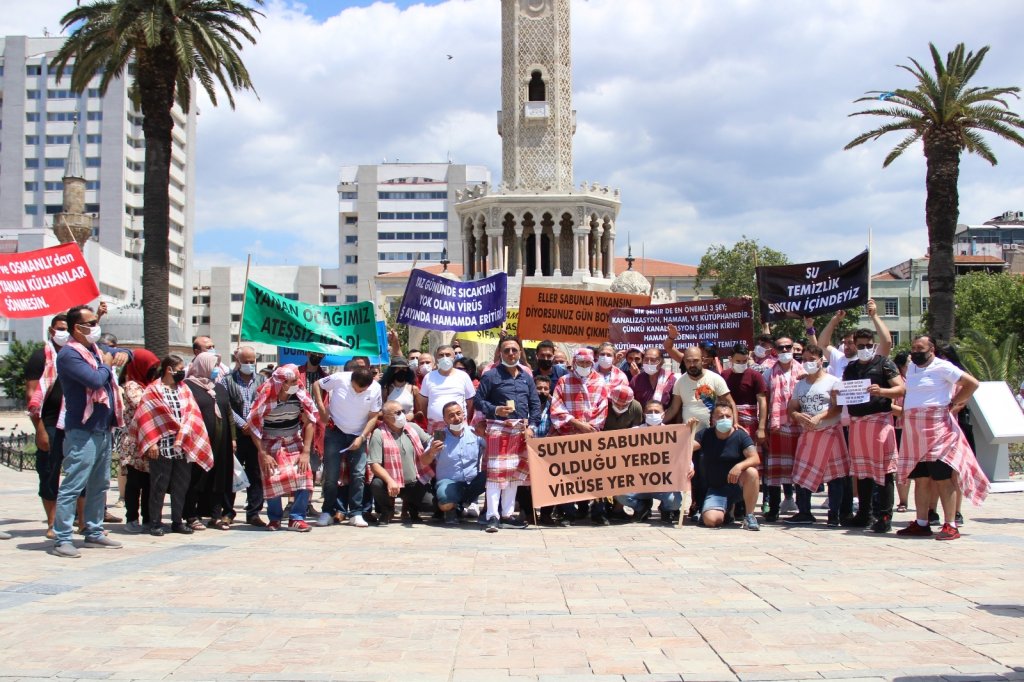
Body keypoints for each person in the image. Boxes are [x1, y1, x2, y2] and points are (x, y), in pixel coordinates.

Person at [50, 305, 125, 558]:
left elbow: (121, 353)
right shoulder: (70, 355)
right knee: (74, 484)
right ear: (76, 328)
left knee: (99, 484)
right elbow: (94, 380)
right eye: (90, 323)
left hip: (102, 428)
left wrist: (122, 354)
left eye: (95, 322)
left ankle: (93, 531)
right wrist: (106, 365)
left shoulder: (93, 349)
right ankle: (62, 537)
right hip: (82, 429)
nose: (95, 327)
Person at [896, 335, 987, 541]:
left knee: (943, 478)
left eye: (920, 348)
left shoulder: (943, 367)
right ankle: (921, 523)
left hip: (937, 429)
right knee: (920, 478)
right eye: (913, 348)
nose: (915, 351)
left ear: (931, 350)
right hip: (914, 430)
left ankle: (950, 524)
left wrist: (954, 402)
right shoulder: (911, 368)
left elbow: (972, 383)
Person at [133, 354, 215, 536]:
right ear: (169, 369)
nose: (182, 372)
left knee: (181, 484)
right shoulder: (153, 390)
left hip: (183, 444)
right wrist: (151, 442)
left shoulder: (184, 389)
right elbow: (146, 417)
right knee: (159, 484)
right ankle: (155, 521)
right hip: (162, 444)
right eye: (179, 369)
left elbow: (192, 413)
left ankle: (177, 520)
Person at [473, 337, 539, 531]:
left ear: (520, 353)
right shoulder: (491, 375)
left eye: (514, 350)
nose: (511, 353)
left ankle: (507, 514)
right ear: (500, 353)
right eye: (507, 350)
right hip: (498, 428)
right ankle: (492, 515)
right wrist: (494, 410)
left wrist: (532, 427)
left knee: (514, 475)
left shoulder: (526, 377)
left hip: (520, 430)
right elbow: (478, 401)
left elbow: (535, 405)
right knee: (495, 474)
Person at [843, 328, 904, 533]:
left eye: (868, 345)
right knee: (862, 472)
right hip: (858, 422)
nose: (865, 349)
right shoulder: (851, 367)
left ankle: (885, 516)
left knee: (884, 470)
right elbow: (845, 391)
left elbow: (901, 388)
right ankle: (864, 514)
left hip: (880, 421)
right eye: (861, 346)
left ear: (874, 344)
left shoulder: (884, 363)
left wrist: (883, 391)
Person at [247, 364, 318, 532]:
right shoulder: (265, 395)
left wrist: (306, 451)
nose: (297, 383)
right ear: (282, 382)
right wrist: (263, 453)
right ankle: (275, 518)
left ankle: (297, 517)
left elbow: (309, 421)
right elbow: (254, 426)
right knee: (273, 479)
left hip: (293, 440)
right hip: (269, 442)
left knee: (304, 477)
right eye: (293, 381)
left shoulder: (299, 395)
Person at [786, 345, 848, 526]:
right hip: (808, 433)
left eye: (812, 359)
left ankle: (834, 513)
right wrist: (797, 415)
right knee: (801, 473)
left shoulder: (833, 381)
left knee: (835, 476)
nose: (808, 363)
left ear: (821, 360)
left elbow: (838, 407)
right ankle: (804, 512)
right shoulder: (800, 384)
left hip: (830, 432)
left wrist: (820, 417)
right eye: (805, 359)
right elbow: (792, 407)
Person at [313, 367, 382, 528]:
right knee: (331, 474)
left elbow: (373, 416)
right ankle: (327, 511)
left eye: (362, 390)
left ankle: (356, 513)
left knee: (358, 474)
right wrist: (322, 409)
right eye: (356, 388)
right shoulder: (339, 378)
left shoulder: (375, 388)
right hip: (335, 431)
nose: (359, 392)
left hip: (359, 434)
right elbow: (317, 384)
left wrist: (362, 436)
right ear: (351, 380)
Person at [548, 348, 610, 526]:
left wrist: (590, 427)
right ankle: (569, 512)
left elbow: (603, 407)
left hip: (592, 435)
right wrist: (576, 423)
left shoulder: (599, 381)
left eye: (587, 363)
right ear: (574, 362)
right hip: (568, 434)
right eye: (581, 363)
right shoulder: (563, 381)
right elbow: (557, 408)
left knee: (597, 476)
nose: (584, 366)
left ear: (592, 363)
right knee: (568, 476)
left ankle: (598, 512)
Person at [25, 313, 69, 539]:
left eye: (68, 328)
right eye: (60, 328)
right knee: (49, 473)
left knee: (77, 474)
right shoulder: (40, 357)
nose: (64, 332)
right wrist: (40, 429)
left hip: (73, 423)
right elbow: (32, 395)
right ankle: (52, 523)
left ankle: (78, 521)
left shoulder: (75, 355)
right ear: (52, 331)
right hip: (50, 423)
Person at [366, 400, 440, 525]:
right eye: (398, 412)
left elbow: (429, 441)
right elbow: (374, 465)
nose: (402, 415)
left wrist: (435, 445)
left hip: (413, 482)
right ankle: (386, 510)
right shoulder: (378, 434)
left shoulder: (413, 428)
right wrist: (390, 480)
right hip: (390, 484)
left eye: (403, 412)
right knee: (376, 484)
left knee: (435, 506)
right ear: (387, 417)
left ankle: (412, 507)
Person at [183, 352, 234, 530]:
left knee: (218, 478)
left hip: (221, 442)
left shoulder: (218, 387)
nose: (215, 370)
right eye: (212, 366)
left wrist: (233, 438)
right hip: (198, 443)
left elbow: (228, 412)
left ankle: (215, 515)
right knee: (196, 478)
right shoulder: (188, 386)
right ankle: (191, 514)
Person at [613, 400, 684, 524]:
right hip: (638, 483)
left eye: (656, 412)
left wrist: (690, 466)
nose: (653, 414)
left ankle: (665, 509)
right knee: (619, 494)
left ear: (663, 414)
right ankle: (642, 507)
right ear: (644, 414)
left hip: (663, 483)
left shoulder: (673, 434)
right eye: (649, 412)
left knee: (674, 502)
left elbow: (682, 454)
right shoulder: (633, 433)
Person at [694, 403, 761, 530]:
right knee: (711, 521)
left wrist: (739, 466)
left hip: (737, 486)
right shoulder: (705, 434)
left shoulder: (741, 435)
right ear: (713, 419)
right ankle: (727, 511)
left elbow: (755, 458)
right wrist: (688, 428)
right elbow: (688, 447)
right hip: (716, 489)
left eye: (728, 416)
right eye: (720, 416)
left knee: (752, 472)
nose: (724, 419)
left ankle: (749, 516)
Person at [115, 349, 160, 533]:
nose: (154, 371)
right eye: (151, 367)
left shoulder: (151, 385)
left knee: (150, 482)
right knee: (134, 483)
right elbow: (144, 405)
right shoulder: (132, 386)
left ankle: (149, 518)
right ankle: (132, 518)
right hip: (135, 442)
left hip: (151, 439)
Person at [762, 335, 806, 521]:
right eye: (781, 348)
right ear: (775, 350)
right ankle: (773, 508)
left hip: (800, 426)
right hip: (778, 427)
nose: (786, 351)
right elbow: (764, 401)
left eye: (789, 347)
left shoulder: (804, 372)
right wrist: (762, 427)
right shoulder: (768, 373)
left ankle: (804, 509)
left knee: (801, 469)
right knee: (775, 471)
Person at [421, 401, 487, 525]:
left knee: (492, 476)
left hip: (472, 482)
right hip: (450, 483)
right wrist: (431, 452)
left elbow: (490, 448)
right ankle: (453, 509)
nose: (456, 418)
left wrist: (485, 435)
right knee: (445, 500)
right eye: (451, 415)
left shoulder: (474, 432)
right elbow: (424, 461)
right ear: (445, 420)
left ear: (464, 415)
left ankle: (487, 511)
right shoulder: (440, 435)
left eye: (458, 414)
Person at [223, 346, 266, 527]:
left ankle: (254, 512)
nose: (249, 365)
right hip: (236, 435)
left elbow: (265, 403)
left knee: (256, 473)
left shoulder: (263, 380)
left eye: (252, 361)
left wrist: (253, 423)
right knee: (231, 473)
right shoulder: (227, 381)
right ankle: (227, 512)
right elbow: (226, 406)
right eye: (245, 361)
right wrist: (243, 424)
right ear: (238, 361)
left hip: (256, 434)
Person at [817, 299, 893, 380]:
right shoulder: (839, 358)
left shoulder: (872, 358)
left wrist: (874, 316)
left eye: (850, 343)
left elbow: (886, 342)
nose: (846, 346)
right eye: (844, 342)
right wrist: (835, 320)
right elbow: (822, 345)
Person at [416, 344, 475, 434]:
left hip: (458, 424)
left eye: (448, 355)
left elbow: (470, 402)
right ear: (436, 358)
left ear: (454, 357)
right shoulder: (429, 377)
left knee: (459, 447)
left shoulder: (463, 376)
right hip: (436, 427)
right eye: (441, 355)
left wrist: (463, 417)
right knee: (438, 447)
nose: (444, 357)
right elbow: (423, 403)